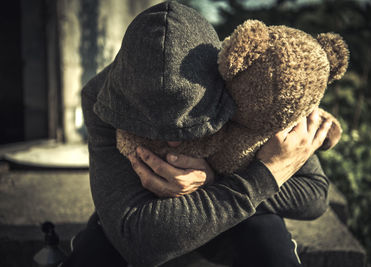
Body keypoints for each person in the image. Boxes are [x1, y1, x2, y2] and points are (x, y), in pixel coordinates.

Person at [63, 1, 333, 267]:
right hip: (152, 217)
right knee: (94, 252)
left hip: (236, 226)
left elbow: (315, 194)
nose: (174, 142)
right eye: (150, 127)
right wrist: (263, 176)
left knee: (266, 238)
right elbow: (137, 240)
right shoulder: (101, 98)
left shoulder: (243, 83)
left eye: (193, 123)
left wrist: (213, 181)